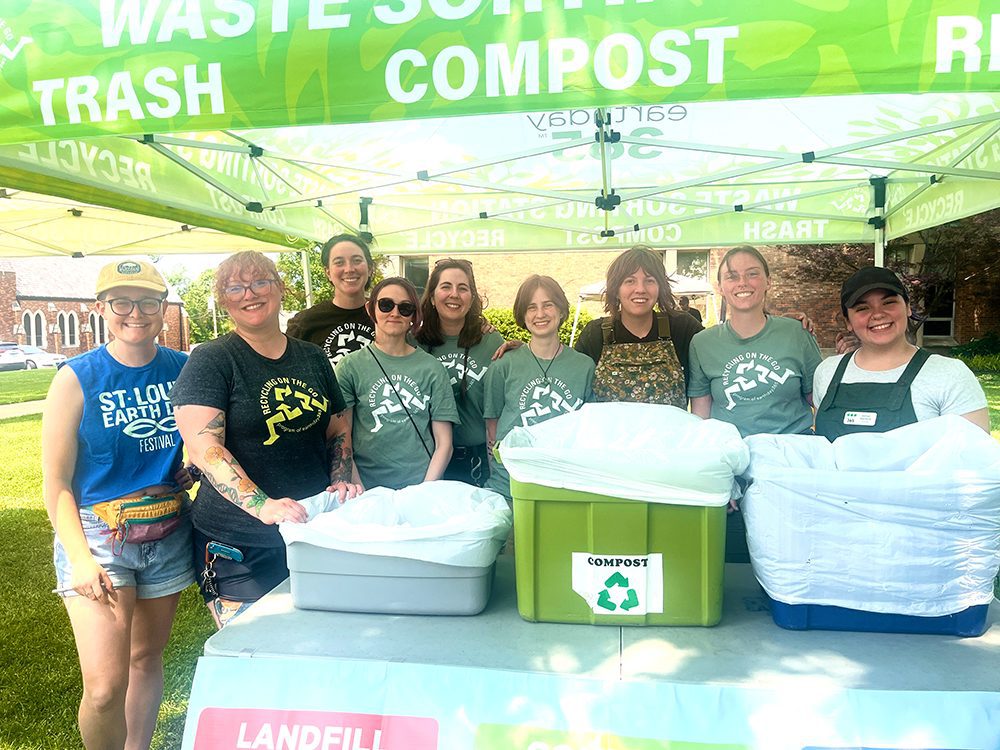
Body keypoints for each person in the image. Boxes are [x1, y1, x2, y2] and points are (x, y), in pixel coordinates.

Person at [42, 259, 194, 750]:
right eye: (122, 302)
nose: (136, 312)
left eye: (148, 301)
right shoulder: (76, 378)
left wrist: (189, 468)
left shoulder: (183, 368)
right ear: (101, 308)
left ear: (163, 307)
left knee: (146, 659)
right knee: (105, 689)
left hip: (168, 529)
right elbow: (56, 482)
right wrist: (80, 559)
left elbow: (203, 439)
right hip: (99, 537)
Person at [172, 251, 361, 628]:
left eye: (260, 282)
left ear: (280, 288)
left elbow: (338, 428)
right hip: (239, 541)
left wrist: (341, 479)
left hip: (313, 530)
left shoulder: (312, 358)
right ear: (223, 300)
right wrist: (262, 505)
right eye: (235, 288)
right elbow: (205, 449)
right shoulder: (212, 359)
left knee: (321, 636)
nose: (249, 293)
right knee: (252, 646)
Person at [814, 266, 989, 439]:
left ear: (908, 307)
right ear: (848, 322)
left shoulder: (949, 374)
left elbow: (974, 452)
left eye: (888, 303)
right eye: (862, 308)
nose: (878, 314)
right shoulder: (827, 372)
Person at [336, 277, 460, 490]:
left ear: (414, 315)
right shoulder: (349, 367)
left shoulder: (432, 368)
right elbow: (341, 438)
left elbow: (444, 443)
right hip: (367, 488)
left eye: (405, 308)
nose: (395, 313)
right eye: (386, 305)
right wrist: (360, 491)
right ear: (370, 308)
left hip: (421, 487)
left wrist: (425, 490)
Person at [688, 245, 822, 438]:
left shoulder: (796, 333)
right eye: (732, 276)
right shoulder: (702, 343)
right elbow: (701, 415)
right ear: (720, 287)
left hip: (792, 446)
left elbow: (820, 400)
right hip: (732, 449)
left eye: (752, 274)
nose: (742, 283)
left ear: (768, 281)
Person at [484, 275, 595, 499]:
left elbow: (589, 429)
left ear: (561, 310)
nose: (540, 314)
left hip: (565, 485)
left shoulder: (584, 366)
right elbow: (492, 426)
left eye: (548, 305)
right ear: (523, 315)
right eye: (531, 307)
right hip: (512, 486)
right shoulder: (503, 365)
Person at [574, 245, 702, 407]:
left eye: (649, 281)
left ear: (660, 288)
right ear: (616, 290)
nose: (640, 289)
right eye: (630, 281)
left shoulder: (682, 328)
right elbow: (574, 390)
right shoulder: (595, 334)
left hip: (671, 425)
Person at [416, 259, 506, 487]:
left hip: (477, 462)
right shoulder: (414, 343)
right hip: (425, 461)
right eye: (446, 286)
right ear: (432, 297)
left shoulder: (490, 341)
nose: (454, 294)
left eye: (462, 288)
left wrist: (520, 349)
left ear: (472, 298)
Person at [285, 234, 375, 366]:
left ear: (370, 268)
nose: (349, 269)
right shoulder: (305, 323)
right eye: (339, 262)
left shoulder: (388, 314)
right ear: (328, 273)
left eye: (357, 260)